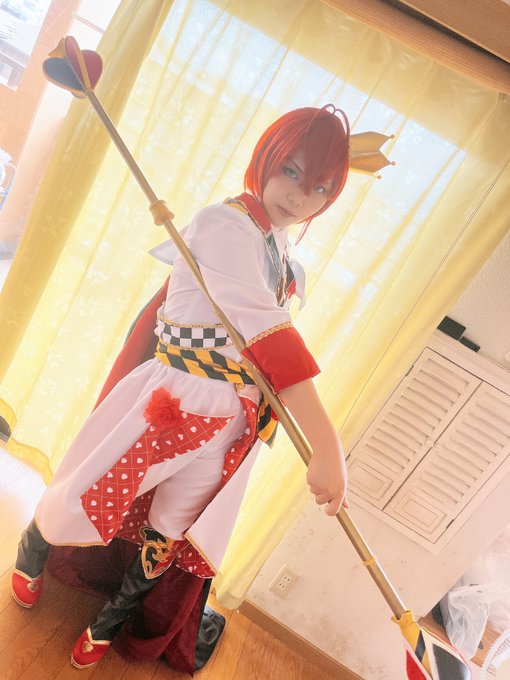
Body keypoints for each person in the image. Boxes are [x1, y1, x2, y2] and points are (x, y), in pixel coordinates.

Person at [11, 105, 350, 670]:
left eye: (320, 187)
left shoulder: (284, 258)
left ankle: (108, 622)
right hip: (175, 397)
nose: (300, 197)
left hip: (230, 420)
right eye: (291, 171)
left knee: (169, 528)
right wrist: (326, 443)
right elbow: (269, 334)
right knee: (88, 493)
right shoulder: (225, 225)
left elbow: (266, 346)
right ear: (267, 158)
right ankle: (32, 551)